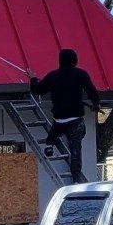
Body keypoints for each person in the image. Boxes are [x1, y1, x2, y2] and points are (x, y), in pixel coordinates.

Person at [29, 49, 102, 183]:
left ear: (60, 61)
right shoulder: (81, 74)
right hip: (75, 120)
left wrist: (33, 78)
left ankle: (49, 146)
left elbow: (37, 90)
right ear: (75, 60)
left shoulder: (53, 76)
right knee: (75, 149)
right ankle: (76, 178)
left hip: (59, 119)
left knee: (55, 130)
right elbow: (92, 91)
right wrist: (96, 104)